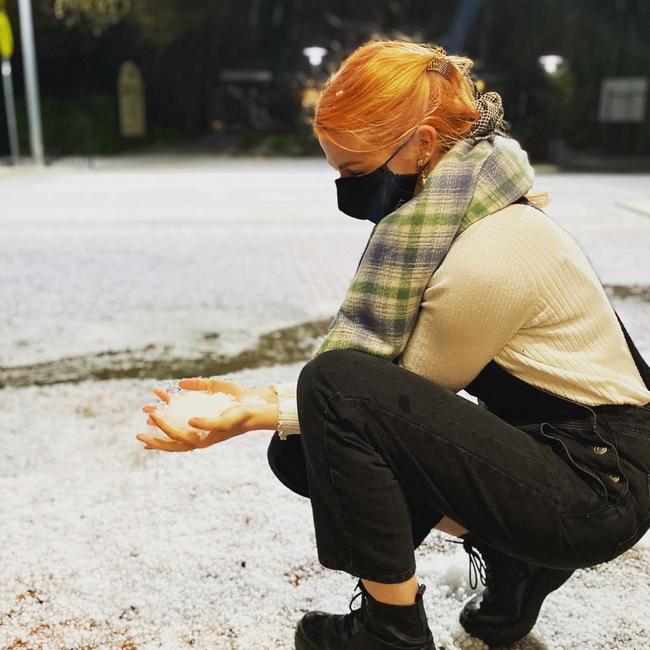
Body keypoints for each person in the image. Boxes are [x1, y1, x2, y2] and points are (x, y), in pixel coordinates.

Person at [136, 39, 650, 650]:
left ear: (425, 146)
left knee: (328, 398)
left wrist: (254, 408)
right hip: (568, 452)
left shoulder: (490, 251)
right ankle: (515, 559)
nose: (347, 189)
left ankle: (390, 629)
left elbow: (378, 397)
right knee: (301, 449)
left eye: (355, 172)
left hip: (599, 484)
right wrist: (263, 404)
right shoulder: (466, 206)